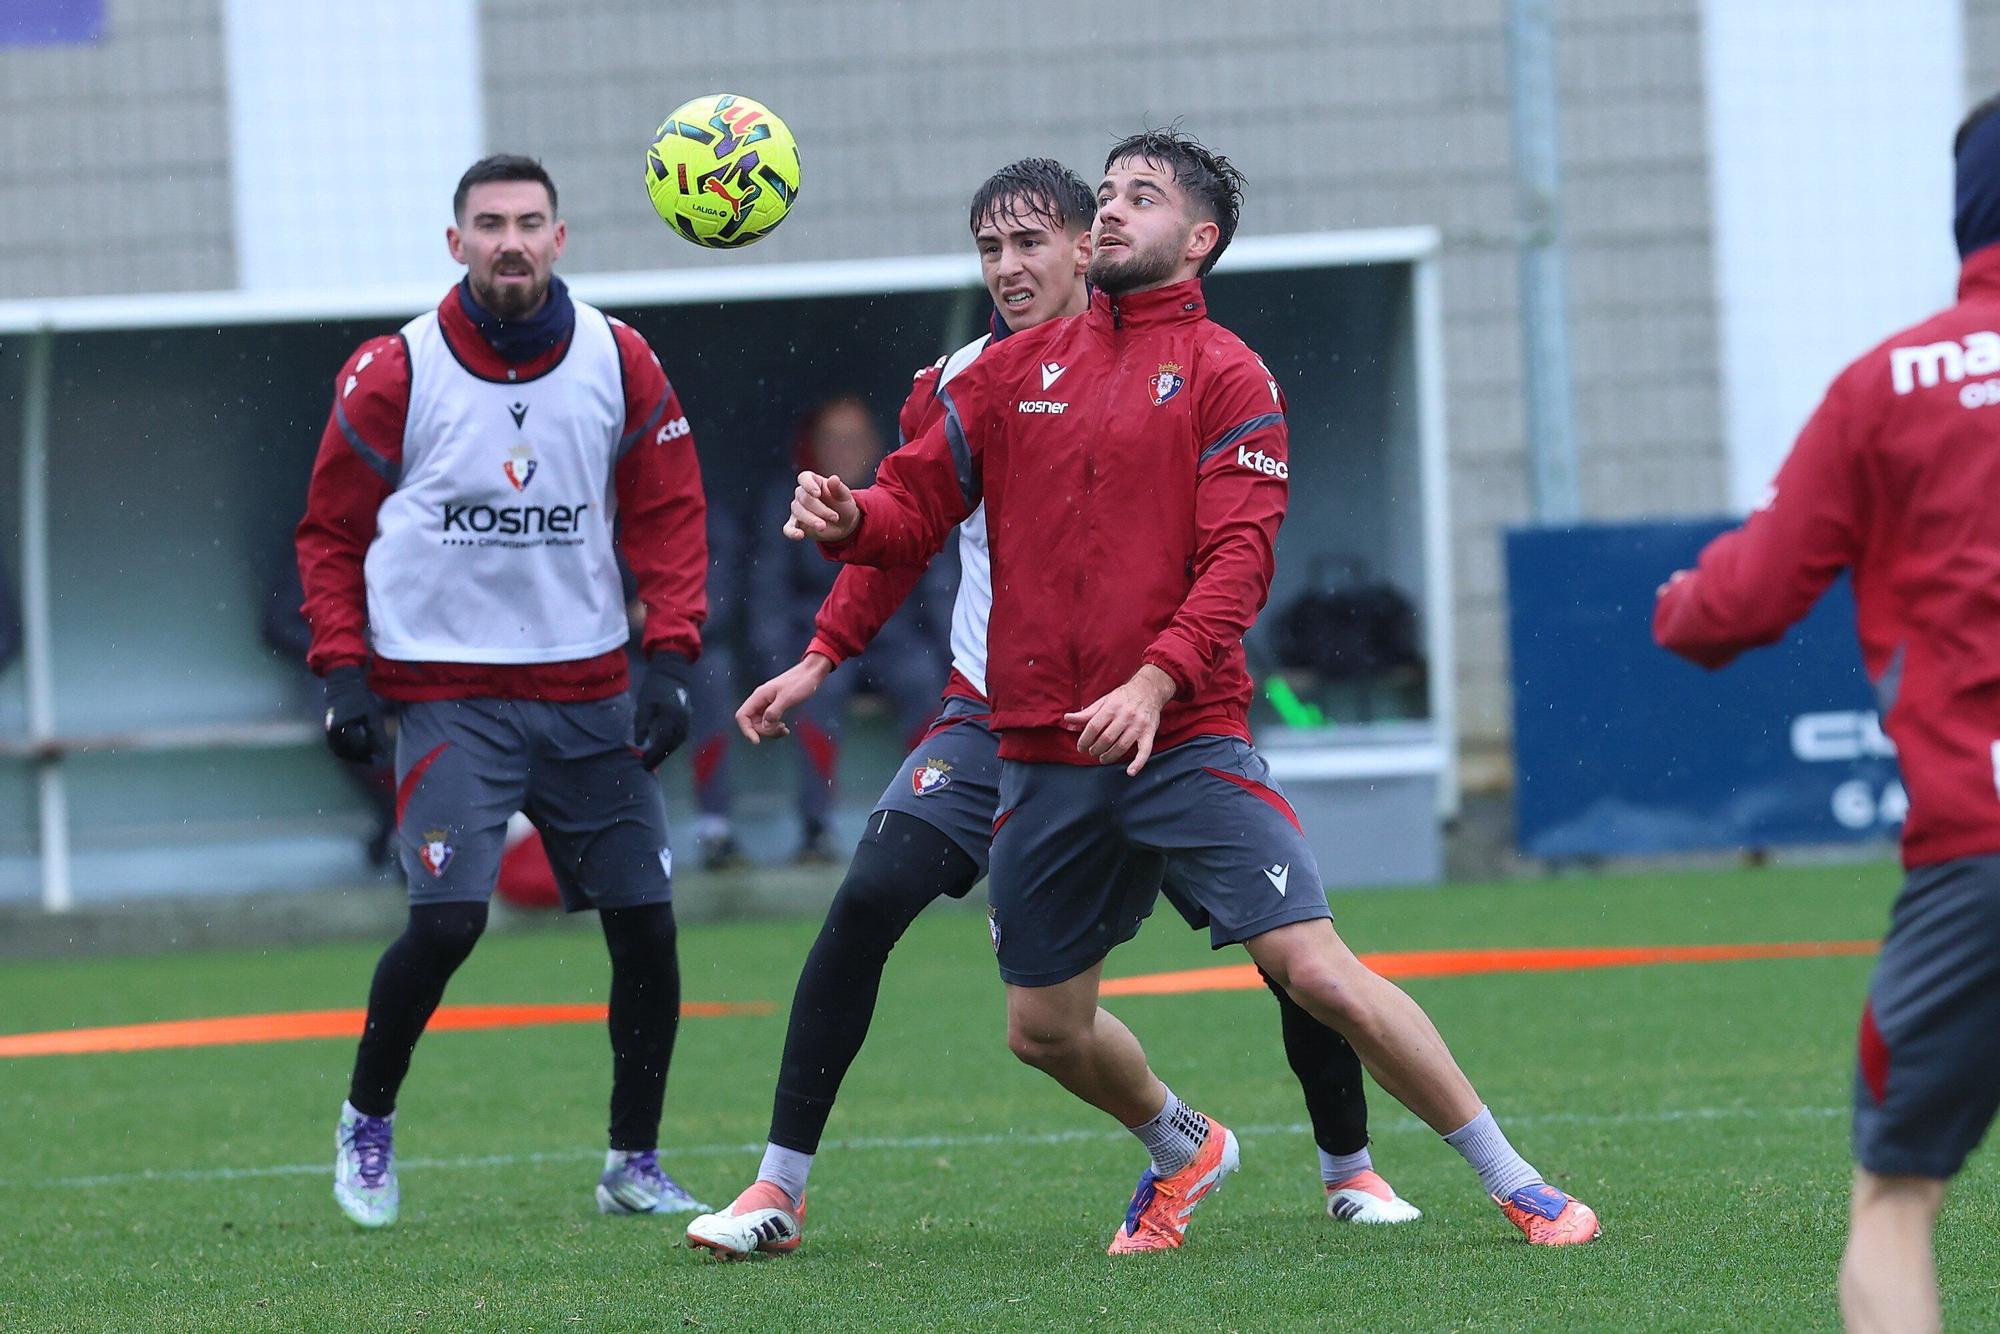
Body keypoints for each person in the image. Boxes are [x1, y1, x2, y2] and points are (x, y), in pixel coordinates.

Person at [783, 129, 1600, 1254]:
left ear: (1199, 238)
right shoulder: (1010, 373)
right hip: (1038, 748)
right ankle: (1180, 1146)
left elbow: (1238, 561)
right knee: (1041, 1028)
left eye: (1140, 198)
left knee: (1315, 969)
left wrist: (1157, 678)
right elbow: (913, 506)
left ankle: (1515, 1182)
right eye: (1105, 193)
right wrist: (850, 519)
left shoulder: (1225, 372)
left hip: (1183, 736)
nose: (1109, 211)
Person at [685, 157, 1421, 1259]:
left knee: (1287, 952)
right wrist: (821, 653)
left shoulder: (1177, 366)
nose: (1007, 269)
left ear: (1090, 248)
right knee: (869, 899)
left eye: (1030, 244)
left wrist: (1165, 672)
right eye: (988, 249)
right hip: (996, 714)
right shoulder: (960, 381)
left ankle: (1347, 1163)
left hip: (1154, 712)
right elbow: (901, 525)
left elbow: (1230, 544)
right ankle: (775, 1186)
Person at [296, 154, 711, 1229]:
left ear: (560, 238)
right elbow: (329, 533)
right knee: (444, 924)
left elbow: (669, 513)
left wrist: (670, 657)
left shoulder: (621, 358)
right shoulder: (397, 368)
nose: (511, 241)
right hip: (448, 693)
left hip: (586, 688)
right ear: (457, 243)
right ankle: (367, 1118)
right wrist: (340, 668)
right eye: (490, 224)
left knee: (648, 924)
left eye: (530, 222)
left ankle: (633, 1158)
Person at [1656, 94, 2000, 1334]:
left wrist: (1679, 600)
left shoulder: (1884, 385)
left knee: (1895, 1192)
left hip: (1981, 851)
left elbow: (1735, 605)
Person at [749, 394, 949, 861]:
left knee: (927, 679)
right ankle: (816, 829)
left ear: (876, 443)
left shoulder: (899, 492)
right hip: (820, 640)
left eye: (855, 439)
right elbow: (769, 592)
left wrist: (957, 658)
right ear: (812, 447)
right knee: (812, 691)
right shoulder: (791, 501)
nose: (844, 449)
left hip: (892, 634)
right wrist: (779, 662)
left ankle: (932, 820)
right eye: (833, 440)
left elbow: (934, 580)